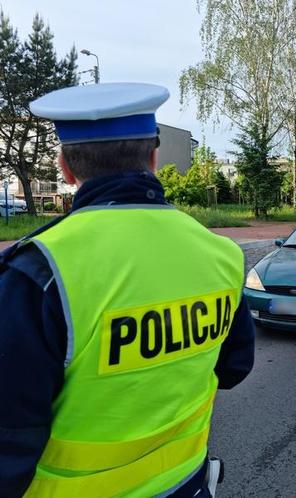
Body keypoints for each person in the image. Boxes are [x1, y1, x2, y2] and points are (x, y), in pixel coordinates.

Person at [0, 83, 255, 497]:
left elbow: (10, 437)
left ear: (65, 168)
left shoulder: (38, 271)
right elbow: (233, 368)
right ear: (153, 158)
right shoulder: (221, 254)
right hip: (186, 483)